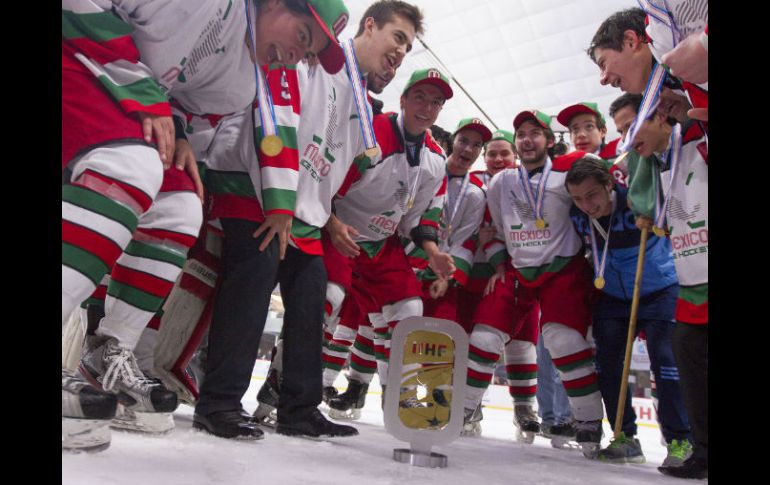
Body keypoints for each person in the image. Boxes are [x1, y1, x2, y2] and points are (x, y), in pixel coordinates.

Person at [249, 0, 425, 426]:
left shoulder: (369, 108)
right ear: (370, 26)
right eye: (397, 37)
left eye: (407, 47)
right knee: (250, 300)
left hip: (327, 224)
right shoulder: (320, 61)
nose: (401, 51)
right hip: (276, 202)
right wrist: (319, 213)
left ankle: (301, 402)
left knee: (323, 306)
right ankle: (220, 389)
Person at [470, 109, 605, 458]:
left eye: (535, 133)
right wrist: (499, 264)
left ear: (548, 140)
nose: (527, 140)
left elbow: (602, 179)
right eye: (521, 135)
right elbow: (495, 231)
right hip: (517, 270)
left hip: (563, 268)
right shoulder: (501, 182)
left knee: (564, 340)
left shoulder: (568, 169)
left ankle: (588, 422)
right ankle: (465, 410)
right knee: (484, 336)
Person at [322, 67, 456, 413]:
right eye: (420, 97)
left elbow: (417, 219)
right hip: (339, 231)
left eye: (436, 102)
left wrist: (432, 252)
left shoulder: (436, 159)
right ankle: (285, 383)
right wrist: (333, 224)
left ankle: (400, 397)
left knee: (409, 310)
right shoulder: (370, 134)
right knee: (326, 299)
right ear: (404, 99)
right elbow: (327, 184)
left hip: (383, 244)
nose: (427, 107)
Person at [566, 156, 692, 466]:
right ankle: (624, 437)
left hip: (660, 290)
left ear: (609, 184)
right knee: (608, 365)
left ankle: (680, 440)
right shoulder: (577, 214)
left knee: (665, 360)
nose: (586, 205)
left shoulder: (637, 202)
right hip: (611, 296)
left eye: (592, 195)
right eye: (578, 198)